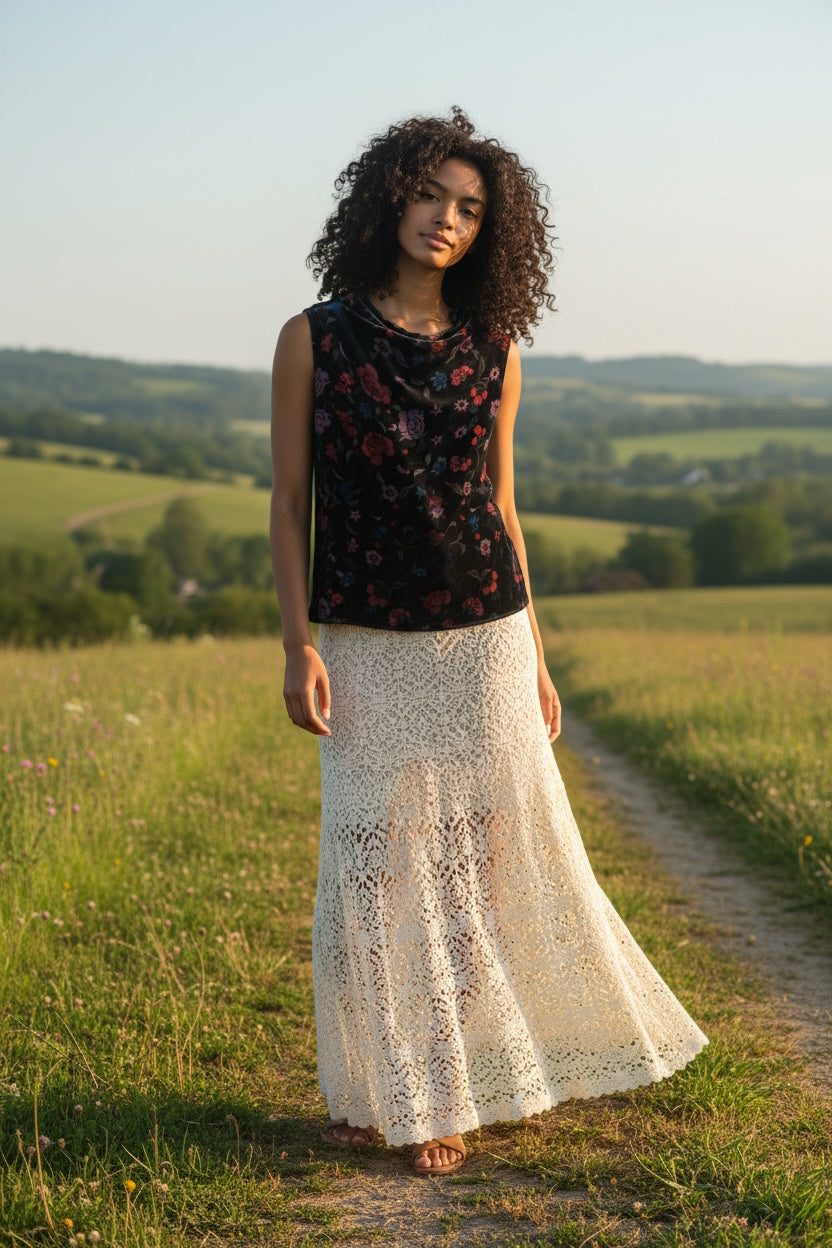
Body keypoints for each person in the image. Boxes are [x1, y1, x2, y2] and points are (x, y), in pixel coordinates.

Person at [269, 107, 707, 1177]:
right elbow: (288, 502)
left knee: (478, 862)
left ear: (490, 229)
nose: (447, 220)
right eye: (431, 196)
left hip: (487, 640)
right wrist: (297, 644)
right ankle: (372, 1083)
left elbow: (500, 507)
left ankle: (442, 1077)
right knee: (371, 870)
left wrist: (540, 659)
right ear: (389, 198)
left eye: (470, 208)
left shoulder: (496, 348)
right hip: (367, 637)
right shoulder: (314, 338)